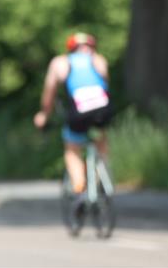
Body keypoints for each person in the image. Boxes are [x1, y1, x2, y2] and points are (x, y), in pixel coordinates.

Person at [33, 32, 113, 197]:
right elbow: (106, 85)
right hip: (103, 108)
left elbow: (49, 93)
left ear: (71, 48)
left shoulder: (61, 62)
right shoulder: (98, 59)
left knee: (72, 149)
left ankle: (79, 184)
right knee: (100, 138)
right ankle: (102, 176)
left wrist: (44, 114)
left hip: (79, 110)